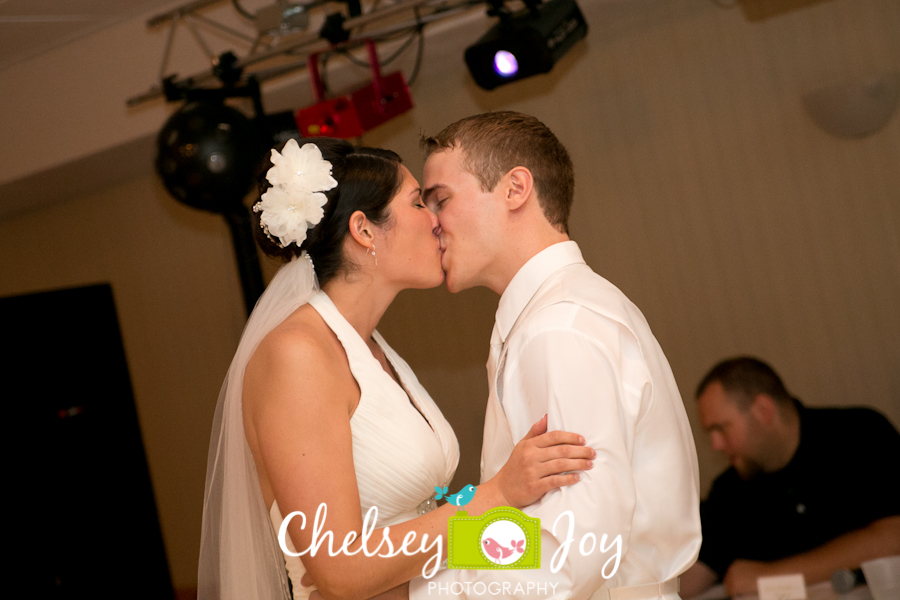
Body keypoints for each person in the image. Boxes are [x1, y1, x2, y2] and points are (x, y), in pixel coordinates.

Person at [196, 138, 596, 600]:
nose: (437, 220)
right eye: (417, 203)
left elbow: (418, 532)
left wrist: (549, 549)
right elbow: (339, 570)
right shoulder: (297, 353)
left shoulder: (371, 348)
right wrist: (497, 493)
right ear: (364, 230)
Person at [355, 111, 702, 600]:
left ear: (515, 189)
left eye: (442, 201)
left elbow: (573, 552)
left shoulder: (559, 328)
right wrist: (429, 547)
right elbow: (537, 536)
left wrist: (416, 590)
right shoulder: (554, 314)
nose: (430, 224)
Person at [679, 357, 900, 598]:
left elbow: (893, 535)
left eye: (721, 428)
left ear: (763, 410)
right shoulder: (730, 490)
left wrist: (773, 574)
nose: (715, 445)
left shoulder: (860, 434)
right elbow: (692, 576)